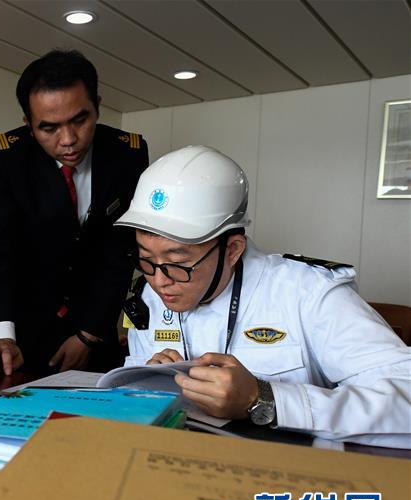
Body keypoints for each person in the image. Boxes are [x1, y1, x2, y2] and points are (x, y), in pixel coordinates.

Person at [115, 145, 410, 448]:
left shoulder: (308, 292)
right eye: (145, 259)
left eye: (178, 263)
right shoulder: (148, 294)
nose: (159, 281)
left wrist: (264, 399)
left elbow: (406, 398)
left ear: (232, 250)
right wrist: (152, 382)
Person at [0, 50, 148, 376]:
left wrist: (88, 334)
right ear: (28, 124)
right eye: (49, 128)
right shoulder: (6, 158)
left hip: (96, 328)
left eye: (80, 120)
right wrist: (2, 337)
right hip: (25, 332)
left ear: (97, 105)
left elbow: (120, 249)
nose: (68, 140)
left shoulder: (127, 153)